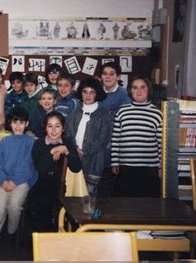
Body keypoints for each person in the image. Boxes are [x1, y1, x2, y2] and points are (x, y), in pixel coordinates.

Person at [0, 108, 37, 260]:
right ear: (10, 124)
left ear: (27, 124)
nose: (18, 126)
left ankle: (12, 231)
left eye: (21, 123)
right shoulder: (4, 142)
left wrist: (15, 181)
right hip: (4, 181)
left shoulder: (31, 142)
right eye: (15, 122)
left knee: (14, 206)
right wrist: (3, 181)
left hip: (22, 181)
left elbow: (29, 165)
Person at [27, 111, 82, 232]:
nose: (53, 130)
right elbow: (41, 168)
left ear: (63, 128)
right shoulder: (39, 143)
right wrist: (52, 151)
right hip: (39, 183)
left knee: (58, 208)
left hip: (58, 186)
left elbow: (76, 168)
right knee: (38, 206)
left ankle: (54, 238)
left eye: (57, 126)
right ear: (45, 127)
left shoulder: (67, 143)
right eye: (49, 126)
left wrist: (67, 151)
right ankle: (42, 241)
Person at [111, 76, 162, 197]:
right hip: (125, 167)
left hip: (149, 169)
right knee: (125, 205)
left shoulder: (157, 113)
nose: (139, 91)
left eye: (142, 87)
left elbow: (161, 143)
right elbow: (115, 139)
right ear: (130, 91)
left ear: (149, 90)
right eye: (135, 87)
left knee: (148, 205)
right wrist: (114, 162)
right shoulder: (122, 111)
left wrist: (160, 167)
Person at [66, 77, 112, 196]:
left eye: (92, 92)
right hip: (74, 161)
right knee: (72, 197)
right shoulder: (74, 112)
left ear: (97, 94)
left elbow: (102, 140)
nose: (88, 95)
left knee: (89, 198)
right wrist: (75, 149)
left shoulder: (104, 115)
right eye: (85, 92)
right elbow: (69, 134)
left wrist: (84, 151)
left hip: (94, 162)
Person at [98, 62, 131, 197]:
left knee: (111, 183)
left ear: (118, 77)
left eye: (112, 74)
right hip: (98, 142)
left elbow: (123, 119)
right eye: (105, 74)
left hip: (116, 143)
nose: (108, 77)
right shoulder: (97, 92)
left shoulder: (123, 95)